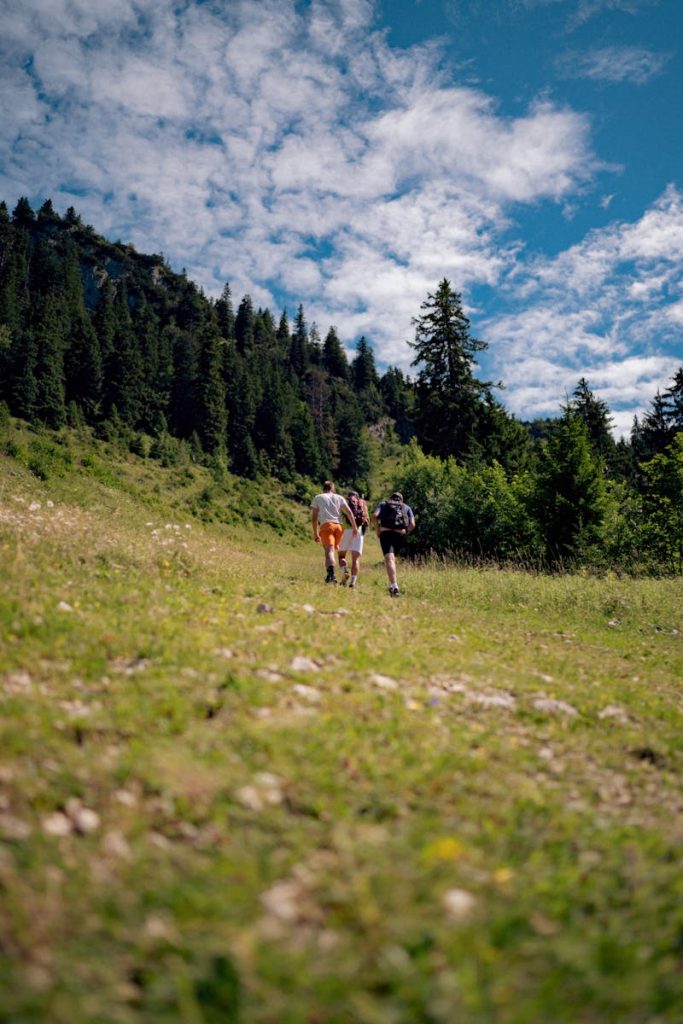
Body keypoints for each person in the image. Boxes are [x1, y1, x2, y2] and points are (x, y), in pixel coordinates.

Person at [310, 481, 358, 584]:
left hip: (327, 526)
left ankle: (331, 576)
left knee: (329, 551)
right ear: (333, 488)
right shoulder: (339, 497)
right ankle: (331, 575)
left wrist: (315, 532)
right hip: (339, 527)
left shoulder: (318, 497)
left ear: (324, 488)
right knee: (332, 551)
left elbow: (314, 518)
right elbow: (349, 512)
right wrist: (354, 527)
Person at [373, 491, 416, 597]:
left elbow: (375, 516)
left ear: (391, 498)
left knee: (389, 559)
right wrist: (405, 531)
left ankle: (394, 585)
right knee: (392, 559)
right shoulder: (406, 507)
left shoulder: (384, 504)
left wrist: (378, 530)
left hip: (386, 533)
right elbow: (412, 525)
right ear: (401, 500)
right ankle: (392, 584)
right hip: (399, 535)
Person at [339, 490, 369, 588]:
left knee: (341, 556)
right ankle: (352, 583)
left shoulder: (344, 504)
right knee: (355, 559)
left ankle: (344, 571)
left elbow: (340, 518)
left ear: (348, 497)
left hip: (346, 531)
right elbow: (366, 521)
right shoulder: (363, 505)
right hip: (359, 532)